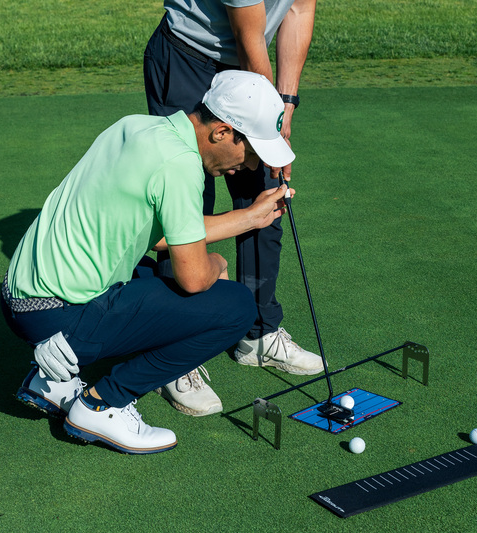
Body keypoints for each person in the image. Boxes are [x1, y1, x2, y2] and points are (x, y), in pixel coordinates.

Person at [1, 71, 296, 454]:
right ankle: (102, 403)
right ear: (222, 132)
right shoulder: (180, 165)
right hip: (57, 315)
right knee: (236, 306)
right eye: (251, 152)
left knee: (151, 270)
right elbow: (194, 277)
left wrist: (250, 217)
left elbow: (157, 235)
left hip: (19, 298)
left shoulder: (137, 127)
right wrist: (217, 264)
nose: (252, 166)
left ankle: (54, 381)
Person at [143, 0, 322, 417]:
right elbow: (248, 34)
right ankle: (173, 352)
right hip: (188, 58)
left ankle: (258, 333)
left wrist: (285, 107)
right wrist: (267, 121)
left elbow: (299, 11)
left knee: (266, 193)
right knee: (186, 198)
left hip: (250, 68)